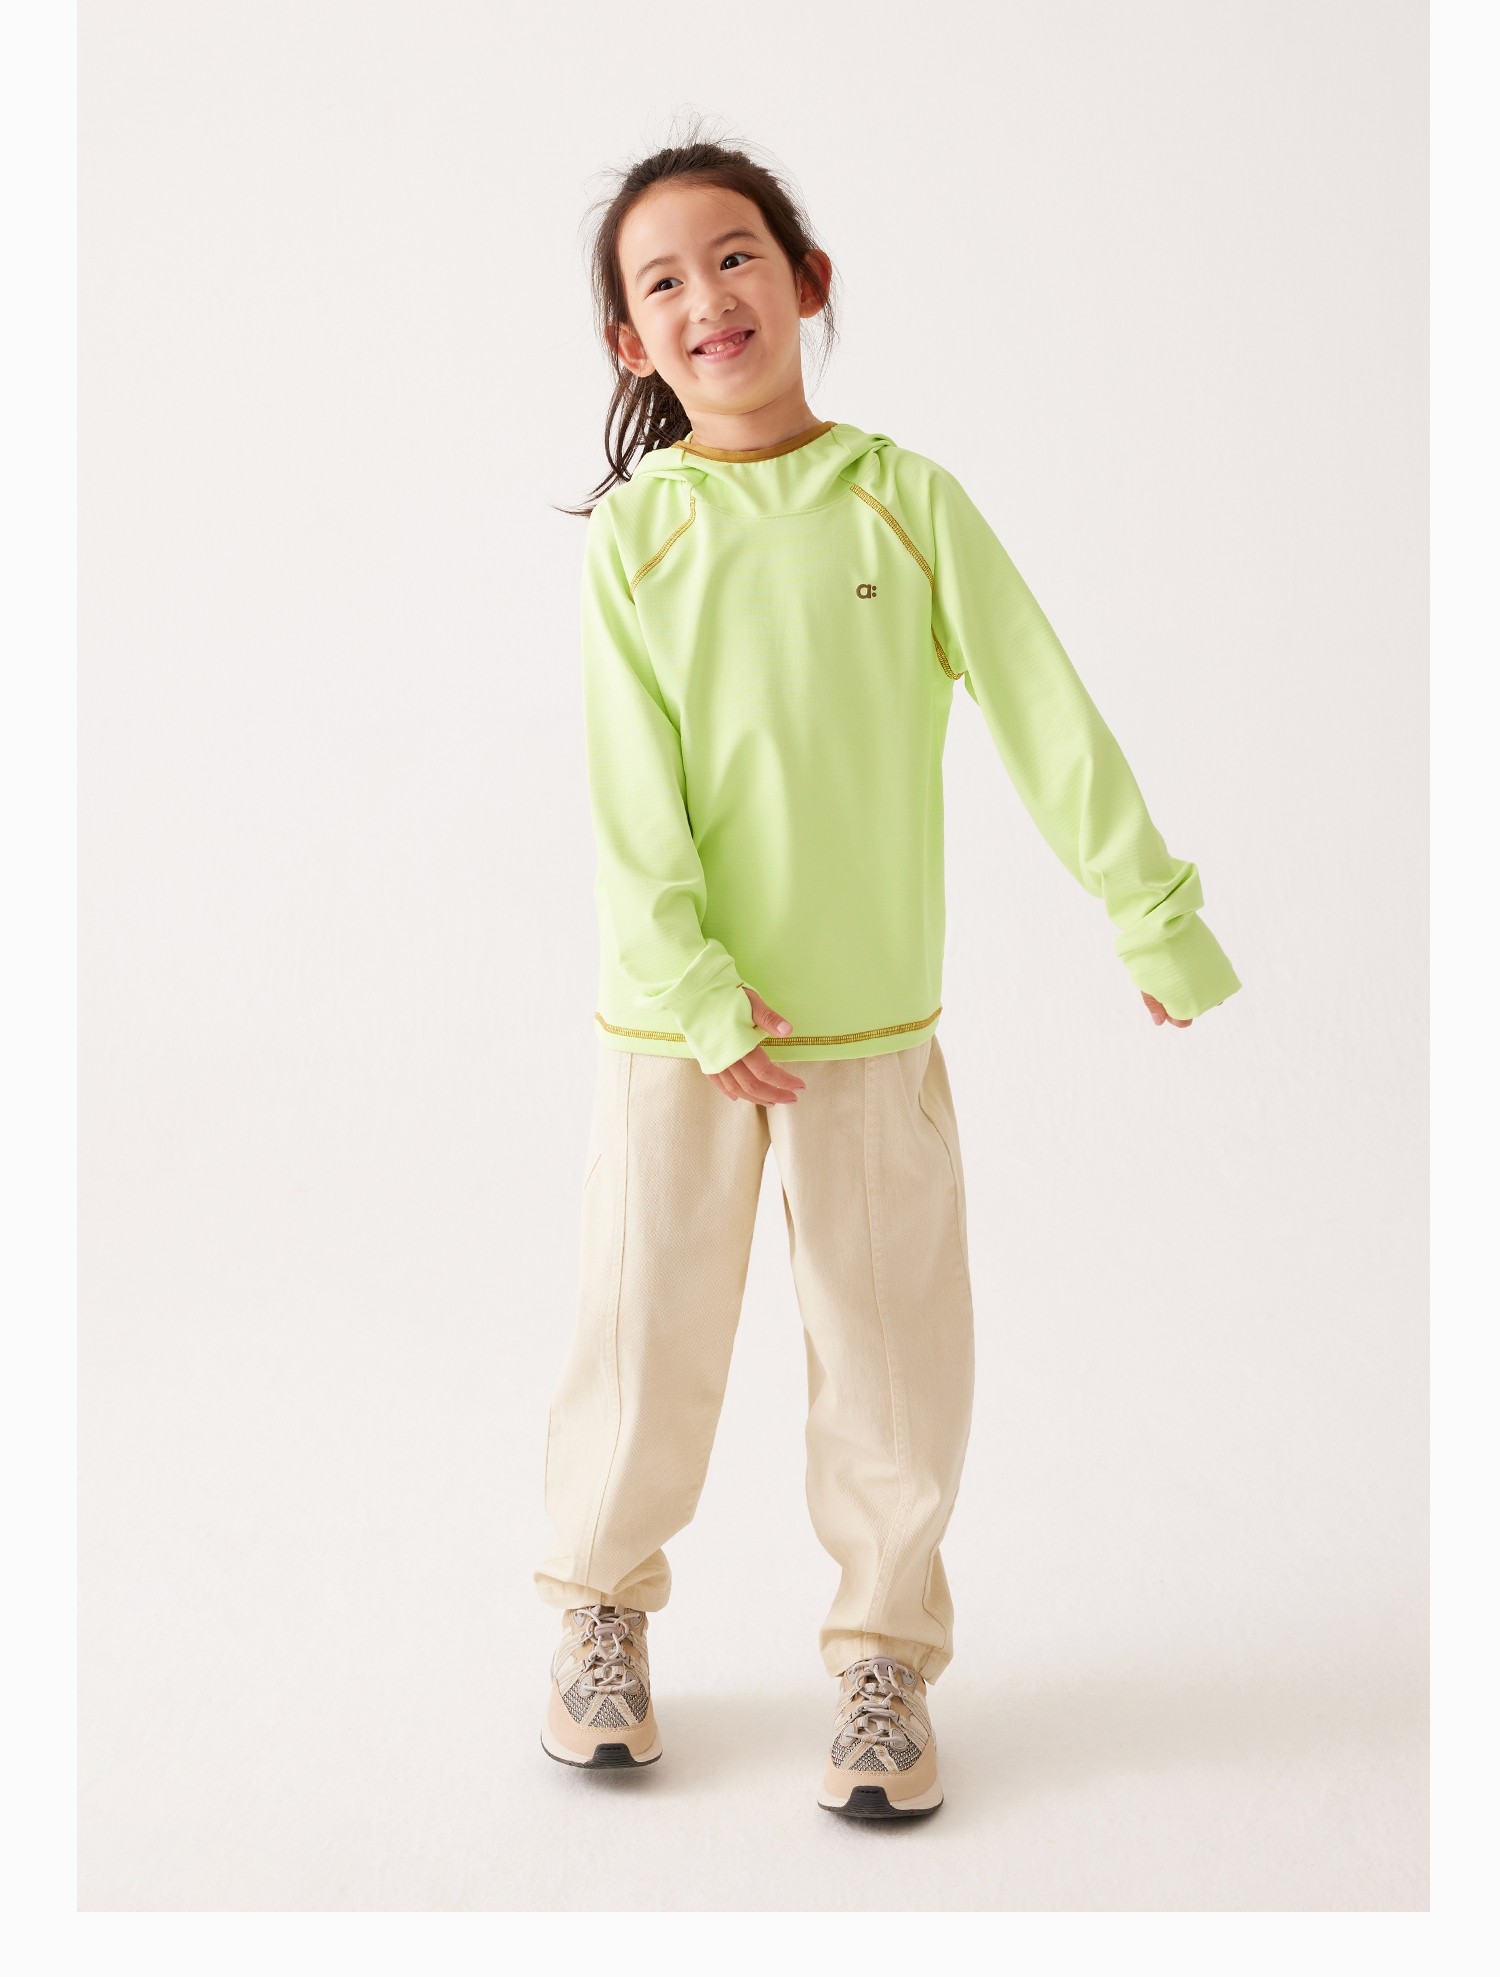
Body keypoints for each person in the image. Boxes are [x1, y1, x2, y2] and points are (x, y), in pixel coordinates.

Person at [533, 132, 1242, 1822]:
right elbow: (631, 804)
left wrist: (1150, 914)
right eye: (661, 280)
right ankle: (598, 1613)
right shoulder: (637, 543)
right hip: (678, 1034)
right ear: (631, 341)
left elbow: (1044, 708)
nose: (707, 296)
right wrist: (705, 999)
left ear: (807, 280)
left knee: (893, 1361)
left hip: (864, 1030)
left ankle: (883, 1658)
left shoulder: (905, 503)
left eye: (734, 256)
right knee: (644, 1344)